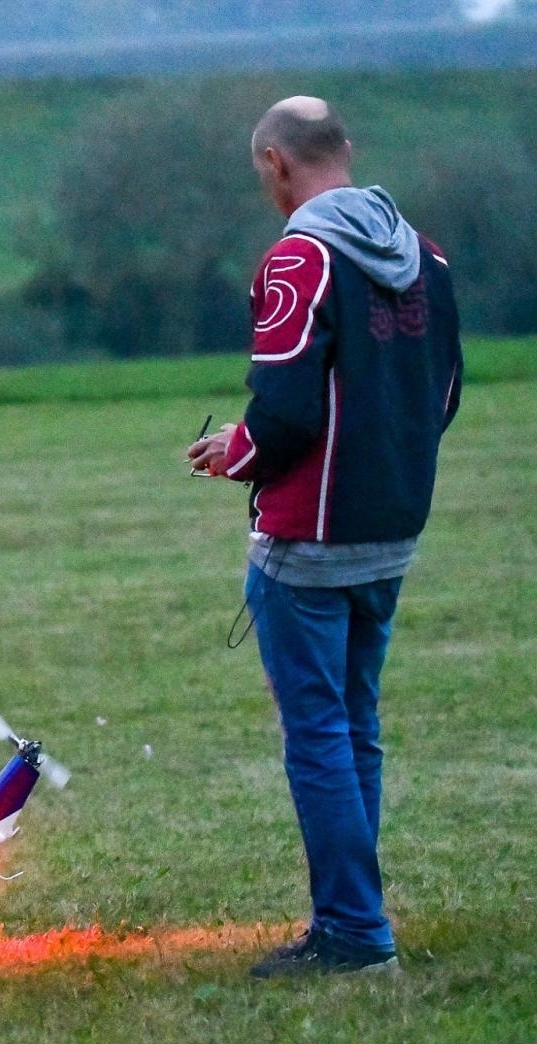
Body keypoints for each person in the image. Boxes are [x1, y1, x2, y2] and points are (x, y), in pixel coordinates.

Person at [187, 96, 463, 978]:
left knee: (319, 733)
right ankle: (358, 915)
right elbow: (443, 397)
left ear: (276, 165)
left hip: (306, 540)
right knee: (356, 725)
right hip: (391, 528)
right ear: (344, 150)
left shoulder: (298, 259)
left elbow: (287, 413)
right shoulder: (427, 256)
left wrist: (237, 454)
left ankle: (353, 931)